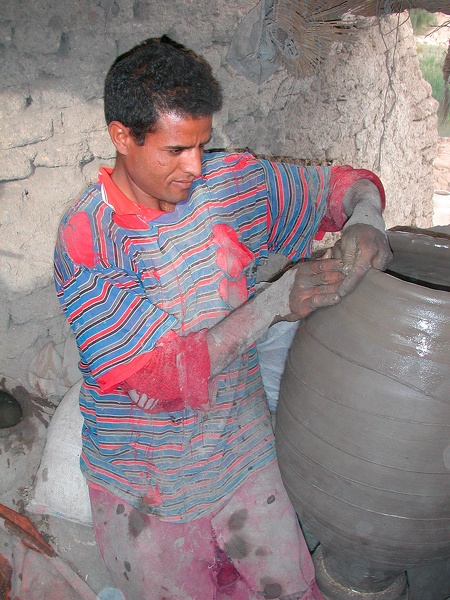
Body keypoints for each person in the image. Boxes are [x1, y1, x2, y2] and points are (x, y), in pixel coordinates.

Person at [54, 36, 392, 600]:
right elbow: (158, 378)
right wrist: (273, 305)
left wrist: (367, 216)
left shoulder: (227, 184)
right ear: (121, 136)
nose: (194, 166)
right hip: (146, 480)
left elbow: (337, 188)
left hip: (240, 452)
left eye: (202, 144)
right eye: (175, 150)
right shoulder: (90, 240)